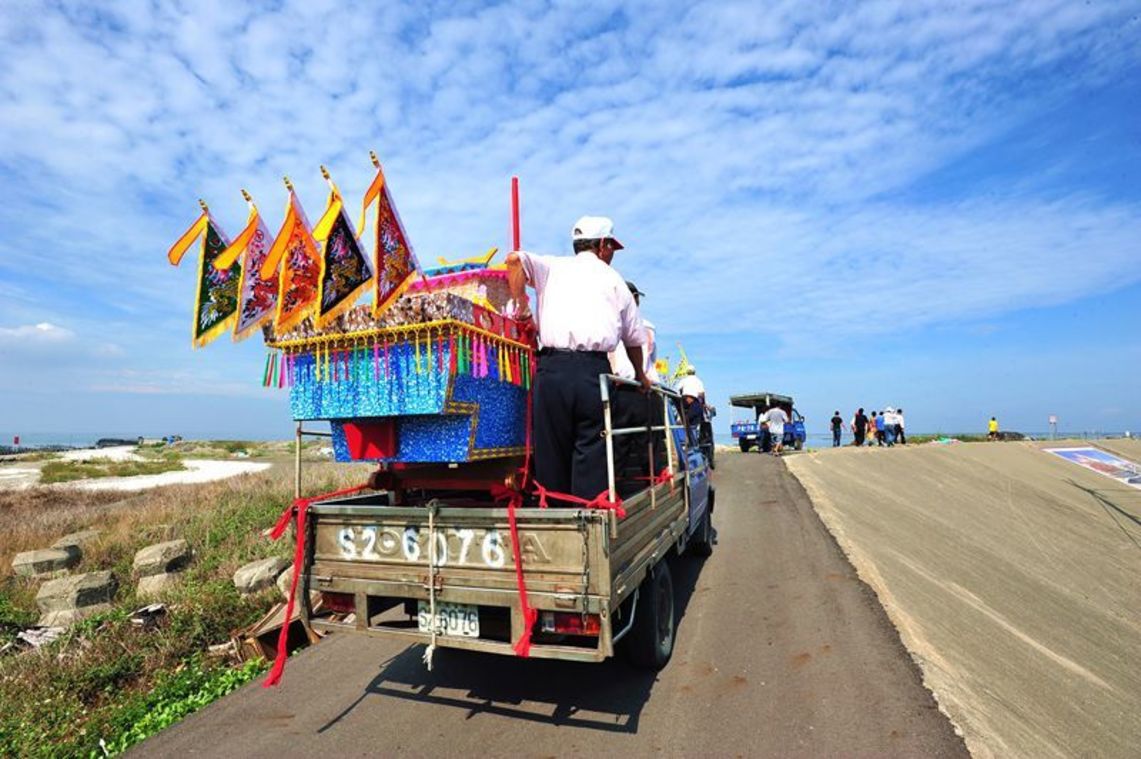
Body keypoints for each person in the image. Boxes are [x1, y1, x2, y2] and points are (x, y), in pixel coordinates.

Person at [506, 215, 649, 500]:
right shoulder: (614, 280)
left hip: (551, 371)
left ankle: (553, 511)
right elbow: (634, 340)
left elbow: (513, 261)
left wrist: (522, 305)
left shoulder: (552, 267)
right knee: (593, 451)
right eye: (612, 247)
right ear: (603, 245)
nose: (612, 254)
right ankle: (587, 514)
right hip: (591, 374)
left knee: (551, 453)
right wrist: (641, 376)